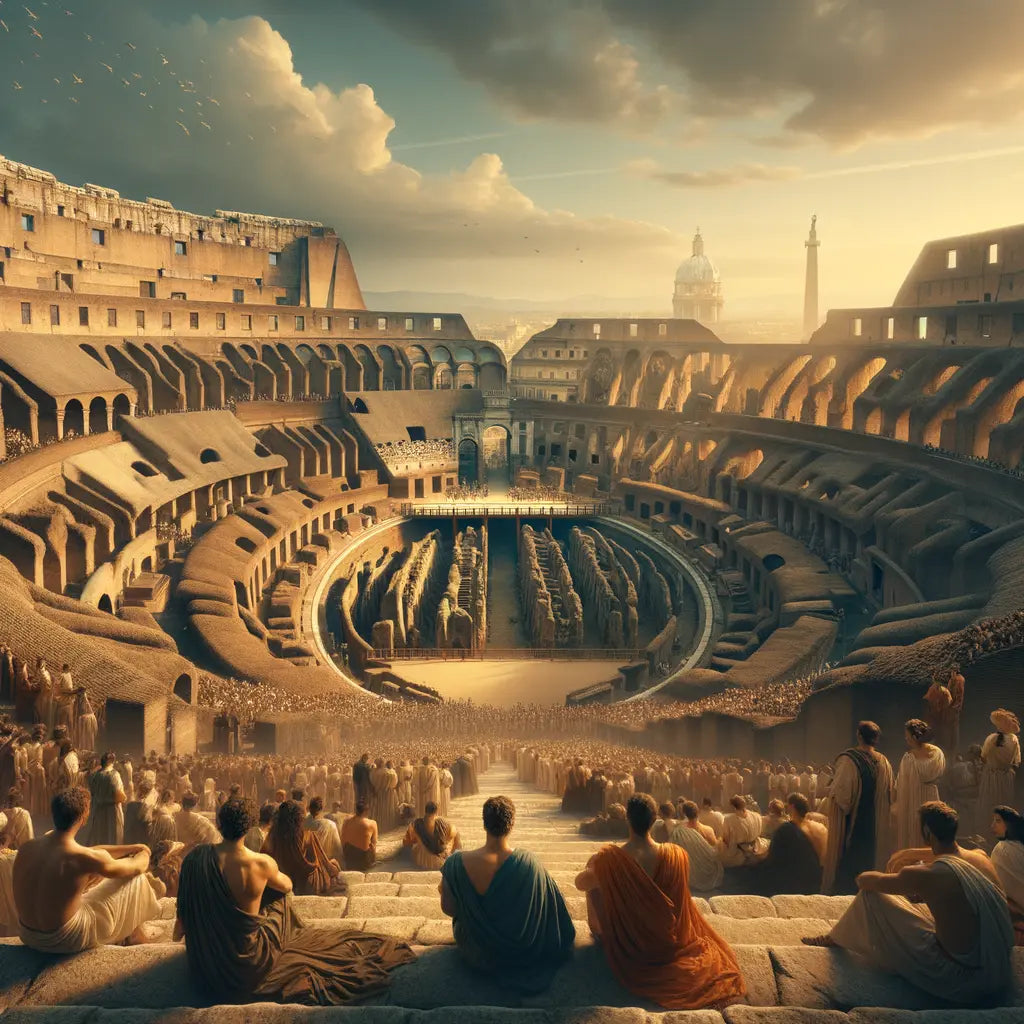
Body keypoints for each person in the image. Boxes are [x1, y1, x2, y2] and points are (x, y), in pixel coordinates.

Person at [175, 797, 414, 1004]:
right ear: (248, 828)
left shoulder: (194, 860)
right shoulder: (260, 864)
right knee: (278, 896)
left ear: (218, 823)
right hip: (250, 963)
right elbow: (288, 886)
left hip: (204, 965)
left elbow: (180, 927)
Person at [806, 802, 1014, 1005]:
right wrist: (912, 855)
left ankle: (835, 938)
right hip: (998, 969)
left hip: (960, 977)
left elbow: (864, 880)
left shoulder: (927, 874)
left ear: (926, 831)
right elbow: (955, 857)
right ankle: (836, 937)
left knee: (871, 895)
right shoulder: (981, 857)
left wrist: (905, 872)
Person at [575, 793, 745, 1010]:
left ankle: (602, 932)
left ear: (628, 820)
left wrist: (595, 865)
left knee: (596, 879)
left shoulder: (612, 860)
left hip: (631, 939)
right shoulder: (677, 854)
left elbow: (581, 883)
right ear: (653, 820)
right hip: (669, 938)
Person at [440, 795, 574, 993]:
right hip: (523, 952)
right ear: (511, 825)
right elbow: (553, 911)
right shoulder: (531, 863)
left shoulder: (455, 863)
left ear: (484, 824)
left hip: (476, 953)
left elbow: (449, 909)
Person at [13, 786, 163, 951]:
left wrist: (132, 847)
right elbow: (136, 867)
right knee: (136, 879)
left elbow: (91, 852)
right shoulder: (81, 858)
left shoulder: (29, 847)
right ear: (84, 817)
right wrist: (144, 852)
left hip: (28, 934)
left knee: (93, 880)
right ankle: (136, 936)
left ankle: (133, 934)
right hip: (63, 939)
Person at [822, 721, 895, 895]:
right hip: (876, 823)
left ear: (859, 735)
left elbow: (841, 796)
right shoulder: (884, 761)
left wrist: (830, 791)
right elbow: (891, 793)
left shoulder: (849, 759)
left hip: (854, 823)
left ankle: (845, 891)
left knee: (850, 863)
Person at [894, 720, 946, 851]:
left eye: (907, 735)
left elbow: (900, 784)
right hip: (922, 795)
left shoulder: (909, 758)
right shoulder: (936, 753)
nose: (906, 738)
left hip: (918, 798)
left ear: (914, 736)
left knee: (922, 827)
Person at [667, 800, 723, 892]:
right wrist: (720, 841)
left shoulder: (679, 830)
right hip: (706, 873)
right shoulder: (707, 830)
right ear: (698, 812)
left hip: (688, 873)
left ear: (684, 813)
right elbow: (714, 851)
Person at [991, 805, 1024, 945]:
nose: (992, 825)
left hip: (1016, 921)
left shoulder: (1002, 850)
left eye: (998, 821)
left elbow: (1000, 887)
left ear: (1009, 824)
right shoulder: (1018, 847)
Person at [82, 751, 126, 846]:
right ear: (111, 762)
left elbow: (92, 792)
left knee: (100, 835)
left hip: (98, 809)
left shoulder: (94, 775)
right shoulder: (114, 775)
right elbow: (119, 795)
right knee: (112, 835)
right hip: (112, 810)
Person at [980, 710, 1021, 811]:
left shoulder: (991, 738)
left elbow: (983, 757)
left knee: (990, 803)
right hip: (1006, 776)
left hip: (991, 775)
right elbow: (1017, 761)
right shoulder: (1014, 739)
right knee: (1005, 803)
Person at [402, 800, 461, 869]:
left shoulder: (415, 824)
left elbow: (406, 843)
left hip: (422, 861)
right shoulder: (443, 822)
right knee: (454, 835)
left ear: (425, 811)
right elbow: (454, 833)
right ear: (436, 811)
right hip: (440, 861)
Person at [719, 795, 765, 868]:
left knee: (718, 858)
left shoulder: (729, 819)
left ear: (733, 807)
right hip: (757, 847)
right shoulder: (756, 816)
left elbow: (726, 839)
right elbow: (760, 831)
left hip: (738, 853)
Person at [340, 801, 378, 870]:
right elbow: (374, 844)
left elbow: (342, 840)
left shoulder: (346, 821)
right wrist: (373, 859)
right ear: (366, 811)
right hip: (363, 860)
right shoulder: (372, 823)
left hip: (349, 858)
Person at [305, 796, 342, 862]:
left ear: (310, 808)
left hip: (307, 860)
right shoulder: (330, 824)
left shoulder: (304, 823)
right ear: (321, 809)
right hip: (325, 861)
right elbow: (338, 849)